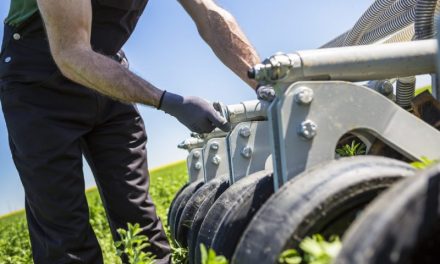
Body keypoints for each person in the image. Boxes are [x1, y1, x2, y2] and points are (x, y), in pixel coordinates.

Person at [0, 0, 273, 263]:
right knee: (64, 230)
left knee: (137, 217)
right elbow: (71, 52)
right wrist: (169, 101)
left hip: (106, 73)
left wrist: (263, 81)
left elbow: (209, 13)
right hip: (38, 83)